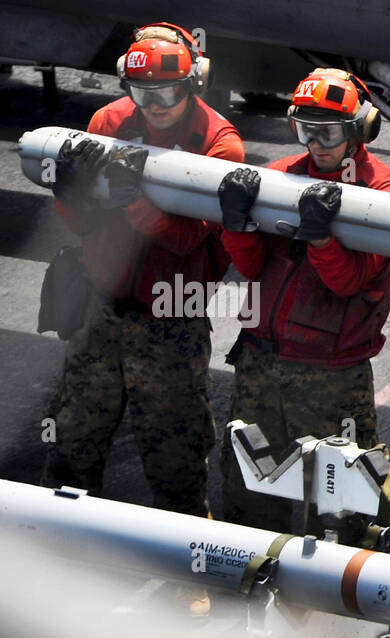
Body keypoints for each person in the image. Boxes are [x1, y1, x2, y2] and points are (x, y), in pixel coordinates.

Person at [43, 22, 243, 520]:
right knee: (72, 444)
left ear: (194, 83)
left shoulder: (219, 144)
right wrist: (71, 194)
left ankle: (187, 576)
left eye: (167, 93)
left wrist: (132, 201)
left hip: (172, 316)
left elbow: (188, 239)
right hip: (102, 306)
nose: (152, 107)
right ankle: (63, 553)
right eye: (141, 93)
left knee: (175, 462)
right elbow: (83, 225)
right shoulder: (108, 121)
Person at [217, 68, 390, 538]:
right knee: (248, 490)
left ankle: (348, 593)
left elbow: (351, 283)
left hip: (330, 376)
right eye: (306, 131)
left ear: (359, 130)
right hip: (260, 363)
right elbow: (251, 264)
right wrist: (236, 223)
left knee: (343, 502)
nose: (316, 144)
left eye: (328, 132)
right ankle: (248, 581)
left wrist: (322, 239)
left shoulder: (383, 195)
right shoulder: (281, 177)